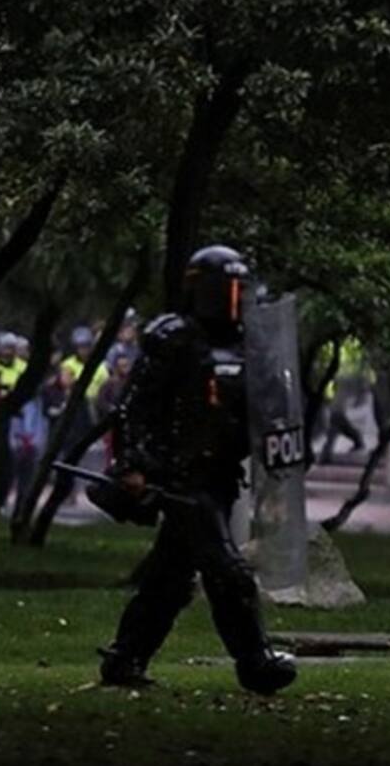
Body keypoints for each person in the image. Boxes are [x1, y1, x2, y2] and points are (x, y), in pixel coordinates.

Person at [96, 245, 297, 695]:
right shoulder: (174, 339)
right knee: (228, 571)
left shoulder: (250, 346)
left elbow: (271, 410)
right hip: (182, 480)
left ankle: (126, 657)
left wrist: (281, 453)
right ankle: (255, 661)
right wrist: (135, 466)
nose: (233, 299)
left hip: (222, 477)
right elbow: (135, 410)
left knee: (170, 577)